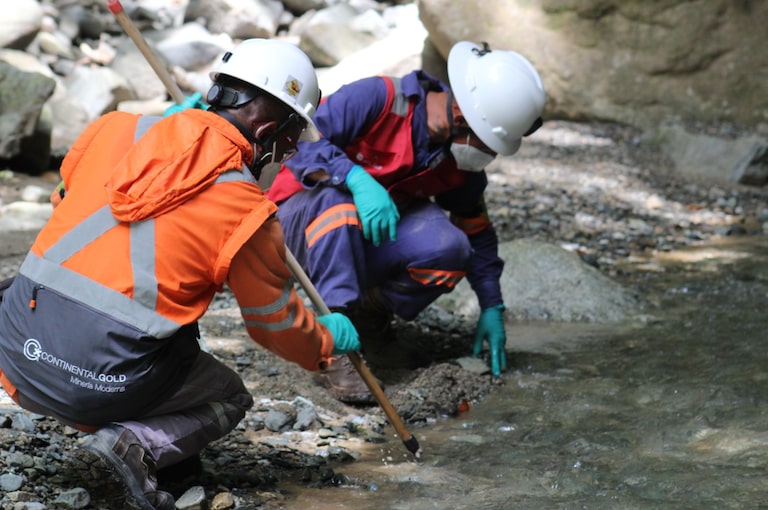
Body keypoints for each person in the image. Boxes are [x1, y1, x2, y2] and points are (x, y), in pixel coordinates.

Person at [0, 38, 361, 510]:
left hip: (17, 353)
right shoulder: (247, 210)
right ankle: (135, 445)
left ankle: (167, 457)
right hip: (92, 386)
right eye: (291, 141)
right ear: (269, 128)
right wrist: (325, 343)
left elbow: (64, 204)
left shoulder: (116, 128)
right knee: (229, 396)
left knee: (168, 325)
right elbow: (272, 325)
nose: (289, 153)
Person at [266, 41, 546, 404]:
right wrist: (353, 176)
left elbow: (476, 229)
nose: (490, 154)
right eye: (490, 143)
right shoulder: (378, 99)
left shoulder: (455, 161)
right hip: (293, 227)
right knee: (339, 204)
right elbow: (301, 139)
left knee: (450, 249)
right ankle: (333, 346)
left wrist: (492, 304)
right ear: (462, 115)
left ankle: (365, 321)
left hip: (358, 242)